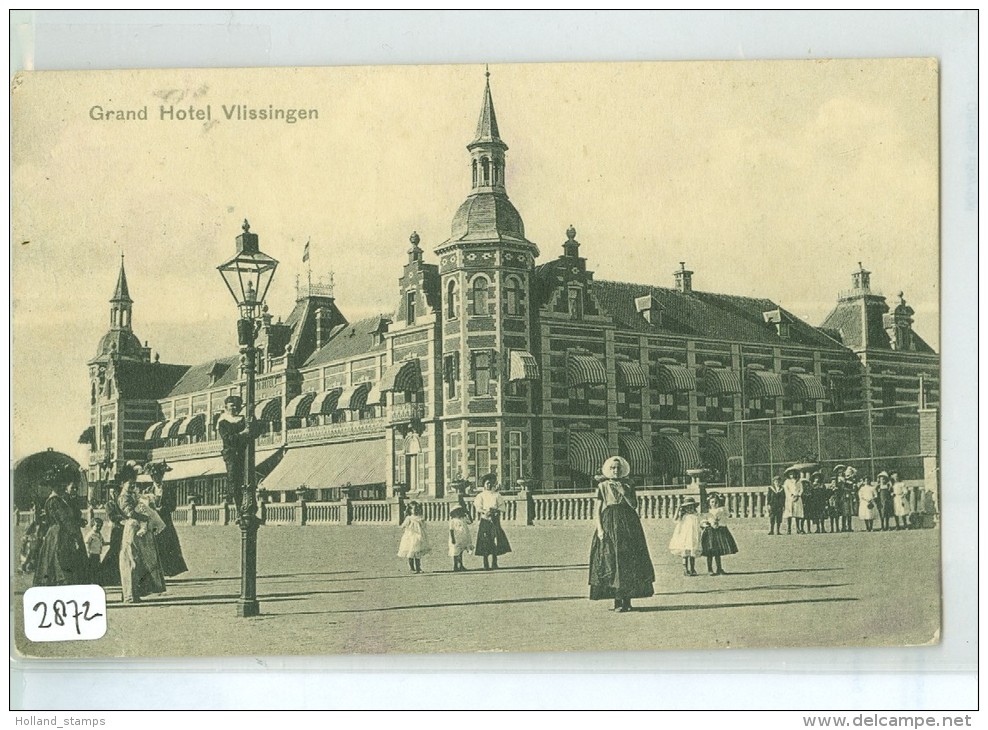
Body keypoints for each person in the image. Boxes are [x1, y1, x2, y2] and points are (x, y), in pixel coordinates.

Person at [588, 456, 655, 612]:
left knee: (628, 561)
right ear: (608, 470)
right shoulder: (602, 486)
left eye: (618, 468)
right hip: (609, 522)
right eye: (612, 468)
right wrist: (600, 529)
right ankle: (617, 602)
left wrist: (623, 491)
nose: (615, 471)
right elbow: (597, 510)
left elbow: (634, 505)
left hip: (628, 523)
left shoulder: (629, 484)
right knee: (611, 561)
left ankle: (628, 601)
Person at [32, 465, 90, 587]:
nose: (61, 487)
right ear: (53, 486)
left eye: (61, 484)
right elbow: (65, 520)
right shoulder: (54, 501)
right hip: (58, 536)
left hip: (61, 533)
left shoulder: (61, 500)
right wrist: (74, 534)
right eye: (58, 485)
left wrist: (77, 522)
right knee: (59, 564)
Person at [117, 463, 166, 603]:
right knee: (131, 560)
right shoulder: (123, 497)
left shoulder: (132, 495)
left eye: (134, 483)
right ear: (122, 483)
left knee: (138, 562)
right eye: (129, 484)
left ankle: (135, 592)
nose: (132, 486)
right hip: (131, 529)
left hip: (137, 528)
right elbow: (130, 512)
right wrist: (145, 517)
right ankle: (129, 595)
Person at [144, 460, 188, 577]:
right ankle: (156, 570)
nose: (156, 479)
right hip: (154, 523)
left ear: (162, 476)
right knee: (155, 545)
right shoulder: (147, 491)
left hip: (166, 521)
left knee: (168, 544)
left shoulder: (168, 489)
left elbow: (173, 506)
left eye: (158, 476)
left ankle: (169, 569)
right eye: (154, 477)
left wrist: (162, 509)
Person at [218, 395, 259, 517]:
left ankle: (251, 510)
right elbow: (228, 439)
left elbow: (255, 432)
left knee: (249, 480)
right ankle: (240, 511)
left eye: (237, 405)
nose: (234, 408)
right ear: (226, 407)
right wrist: (243, 434)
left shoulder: (243, 419)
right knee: (235, 481)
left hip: (245, 454)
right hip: (231, 455)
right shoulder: (223, 422)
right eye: (231, 406)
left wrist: (252, 419)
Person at [473, 473, 511, 570]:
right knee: (485, 541)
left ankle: (494, 562)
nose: (489, 485)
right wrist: (485, 512)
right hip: (485, 520)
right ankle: (485, 564)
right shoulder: (480, 496)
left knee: (495, 540)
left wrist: (495, 511)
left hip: (494, 521)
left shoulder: (497, 495)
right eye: (487, 483)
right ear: (484, 485)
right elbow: (478, 508)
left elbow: (502, 507)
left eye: (490, 483)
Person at [700, 493, 738, 576]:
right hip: (710, 532)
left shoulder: (722, 510)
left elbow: (727, 515)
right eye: (712, 502)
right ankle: (710, 569)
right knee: (710, 551)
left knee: (718, 551)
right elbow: (702, 521)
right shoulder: (707, 512)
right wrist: (705, 524)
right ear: (709, 503)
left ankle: (719, 568)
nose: (714, 504)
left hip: (719, 532)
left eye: (716, 502)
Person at [668, 496, 702, 576]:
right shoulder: (683, 516)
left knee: (692, 553)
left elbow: (701, 523)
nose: (690, 509)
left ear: (694, 507)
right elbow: (675, 519)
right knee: (685, 553)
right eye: (687, 507)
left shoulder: (696, 516)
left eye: (691, 506)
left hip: (693, 536)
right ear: (685, 508)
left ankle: (692, 568)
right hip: (684, 537)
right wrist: (678, 509)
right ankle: (685, 569)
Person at [100, 487, 125, 586]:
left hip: (124, 529)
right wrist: (125, 517)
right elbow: (112, 517)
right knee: (114, 551)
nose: (113, 493)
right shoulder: (110, 504)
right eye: (111, 492)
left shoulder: (121, 502)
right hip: (116, 530)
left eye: (115, 491)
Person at [397, 501, 430, 573]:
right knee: (411, 551)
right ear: (410, 510)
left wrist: (422, 523)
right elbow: (403, 526)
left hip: (418, 536)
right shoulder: (409, 518)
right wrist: (407, 527)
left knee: (417, 551)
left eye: (416, 509)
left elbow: (424, 526)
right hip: (410, 536)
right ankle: (411, 568)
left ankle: (418, 567)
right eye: (412, 509)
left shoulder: (420, 518)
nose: (414, 510)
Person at [448, 504, 474, 572]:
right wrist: (453, 538)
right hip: (456, 537)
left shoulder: (463, 518)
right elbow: (451, 530)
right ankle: (455, 565)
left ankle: (461, 565)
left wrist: (468, 513)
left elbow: (471, 521)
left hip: (463, 537)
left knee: (461, 552)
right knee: (455, 552)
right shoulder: (453, 520)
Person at [82, 517, 106, 584]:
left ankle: (96, 581)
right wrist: (88, 551)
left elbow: (102, 542)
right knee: (92, 568)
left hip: (97, 554)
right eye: (97, 526)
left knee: (97, 567)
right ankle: (91, 581)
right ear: (92, 526)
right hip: (92, 554)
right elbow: (87, 543)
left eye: (100, 526)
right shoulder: (91, 534)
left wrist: (110, 543)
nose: (99, 528)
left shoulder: (99, 534)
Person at [783, 468, 805, 535]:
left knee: (797, 514)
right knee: (789, 514)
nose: (791, 475)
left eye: (793, 474)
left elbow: (801, 489)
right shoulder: (787, 482)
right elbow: (786, 490)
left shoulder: (799, 481)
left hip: (797, 499)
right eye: (790, 474)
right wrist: (791, 495)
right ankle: (789, 529)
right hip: (790, 499)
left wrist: (798, 495)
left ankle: (798, 529)